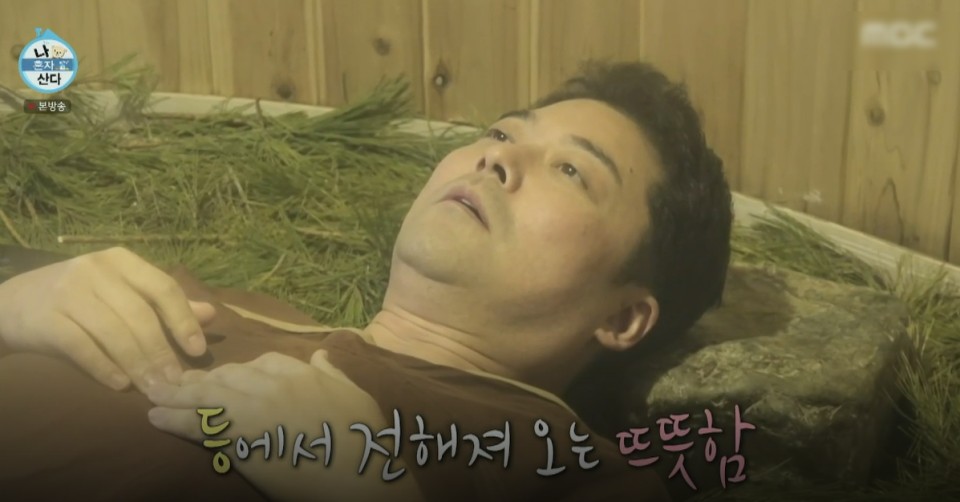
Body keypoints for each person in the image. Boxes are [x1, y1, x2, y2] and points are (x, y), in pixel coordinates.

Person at [0, 60, 732, 501]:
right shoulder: (214, 305)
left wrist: (366, 486)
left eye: (571, 170)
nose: (496, 158)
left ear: (623, 318)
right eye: (502, 133)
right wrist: (12, 304)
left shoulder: (571, 470)